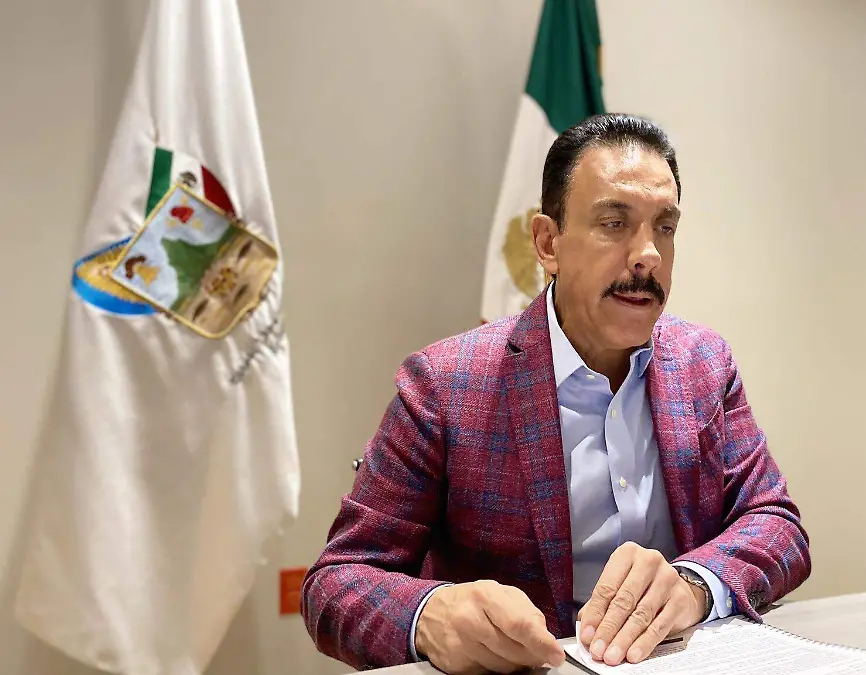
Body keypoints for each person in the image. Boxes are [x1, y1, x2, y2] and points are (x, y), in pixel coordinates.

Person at [300, 113, 812, 673]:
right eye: (614, 223)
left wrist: (695, 586)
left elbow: (777, 524)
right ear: (548, 243)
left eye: (664, 227)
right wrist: (429, 616)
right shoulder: (445, 385)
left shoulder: (704, 365)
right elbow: (336, 584)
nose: (649, 254)